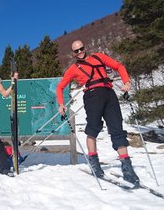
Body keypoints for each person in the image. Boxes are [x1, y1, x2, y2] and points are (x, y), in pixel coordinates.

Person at [56, 40, 140, 185]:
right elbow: (60, 87)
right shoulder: (73, 68)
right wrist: (61, 104)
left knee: (117, 129)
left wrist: (126, 82)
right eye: (76, 51)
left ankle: (127, 168)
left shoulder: (99, 57)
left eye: (81, 49)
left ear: (85, 48)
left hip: (109, 93)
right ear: (73, 53)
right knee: (93, 129)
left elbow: (119, 66)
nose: (80, 52)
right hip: (92, 96)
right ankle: (94, 163)